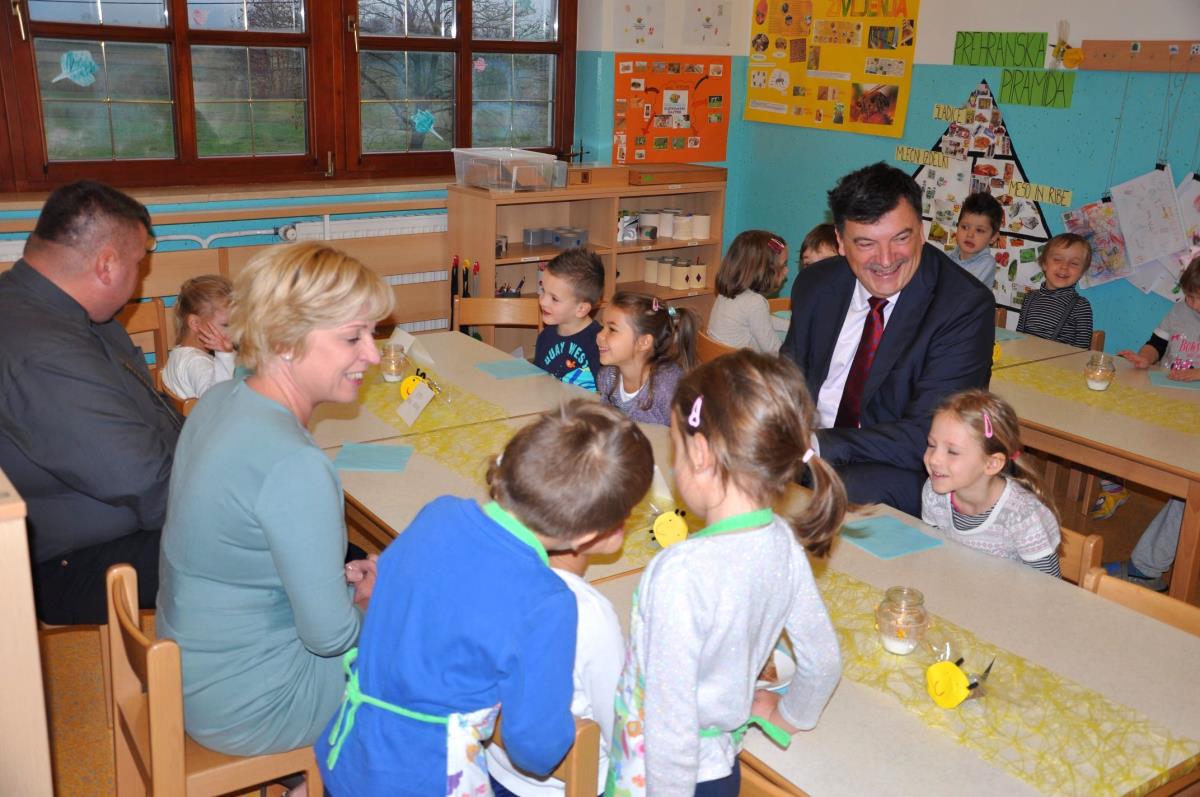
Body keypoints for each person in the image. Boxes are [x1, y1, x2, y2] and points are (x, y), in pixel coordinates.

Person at [318, 400, 654, 797]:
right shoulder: (548, 601)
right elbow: (537, 752)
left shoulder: (438, 513)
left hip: (350, 751)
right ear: (588, 536)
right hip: (422, 780)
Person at [156, 242, 392, 767]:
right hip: (255, 703)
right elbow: (330, 638)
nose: (373, 355)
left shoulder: (220, 400)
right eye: (353, 337)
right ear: (285, 340)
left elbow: (251, 559)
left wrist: (339, 589)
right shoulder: (295, 465)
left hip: (192, 665)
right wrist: (368, 604)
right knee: (435, 644)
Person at [608, 351, 845, 796]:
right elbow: (824, 659)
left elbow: (670, 723)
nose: (674, 464)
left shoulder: (679, 573)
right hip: (720, 768)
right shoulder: (784, 544)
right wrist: (790, 715)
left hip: (663, 777)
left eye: (676, 447)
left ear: (700, 454)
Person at [0, 180, 181, 625]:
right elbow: (145, 483)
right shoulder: (43, 351)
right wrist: (240, 505)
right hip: (72, 561)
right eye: (139, 263)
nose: (139, 278)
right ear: (107, 264)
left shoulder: (65, 312)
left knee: (298, 534)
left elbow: (152, 412)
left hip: (112, 520)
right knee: (290, 548)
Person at [781, 162, 994, 516]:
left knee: (842, 490)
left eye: (901, 238)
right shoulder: (816, 285)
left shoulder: (963, 306)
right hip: (808, 452)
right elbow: (788, 382)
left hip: (904, 467)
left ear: (921, 231)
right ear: (840, 242)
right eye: (866, 243)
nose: (885, 260)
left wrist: (817, 444)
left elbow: (930, 434)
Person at [485, 483, 627, 797]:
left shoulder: (493, 571)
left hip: (492, 769)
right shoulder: (591, 614)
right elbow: (621, 726)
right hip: (569, 786)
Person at [1105, 256, 1200, 589]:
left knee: (1188, 486)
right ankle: (1112, 485)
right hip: (1170, 404)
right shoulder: (1181, 310)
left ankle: (1146, 568)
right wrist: (1146, 357)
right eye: (1189, 296)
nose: (1192, 304)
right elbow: (1158, 342)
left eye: (1198, 298)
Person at [921, 389, 1062, 576]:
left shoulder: (1022, 516)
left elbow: (1048, 587)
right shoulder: (934, 494)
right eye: (931, 444)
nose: (934, 459)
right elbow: (932, 555)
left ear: (992, 463)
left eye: (952, 452)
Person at [597, 291, 698, 426]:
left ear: (644, 342)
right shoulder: (607, 377)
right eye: (602, 326)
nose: (600, 335)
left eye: (612, 329)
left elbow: (688, 434)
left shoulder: (667, 388)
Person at [706, 230, 788, 354]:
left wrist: (790, 325)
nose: (786, 271)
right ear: (765, 270)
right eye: (783, 265)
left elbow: (763, 321)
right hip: (739, 365)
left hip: (718, 360)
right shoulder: (755, 303)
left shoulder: (726, 294)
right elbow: (774, 350)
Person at [534, 249, 604, 391]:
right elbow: (537, 383)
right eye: (543, 291)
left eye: (554, 299)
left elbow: (606, 396)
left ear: (581, 309)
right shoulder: (546, 336)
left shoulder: (600, 344)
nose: (543, 301)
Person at [162, 274, 235, 399]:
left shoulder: (179, 353)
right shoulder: (197, 362)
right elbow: (216, 401)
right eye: (226, 325)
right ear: (195, 323)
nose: (234, 331)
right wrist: (224, 355)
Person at [1015, 233, 1094, 349]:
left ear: (1082, 273)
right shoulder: (1029, 297)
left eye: (1074, 263)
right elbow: (1019, 336)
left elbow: (1082, 351)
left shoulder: (1080, 306)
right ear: (1044, 264)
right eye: (1057, 259)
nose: (1064, 266)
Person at [947, 192, 1002, 288]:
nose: (970, 234)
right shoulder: (949, 256)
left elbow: (962, 291)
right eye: (965, 227)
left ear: (993, 237)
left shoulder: (987, 263)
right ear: (957, 227)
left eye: (979, 230)